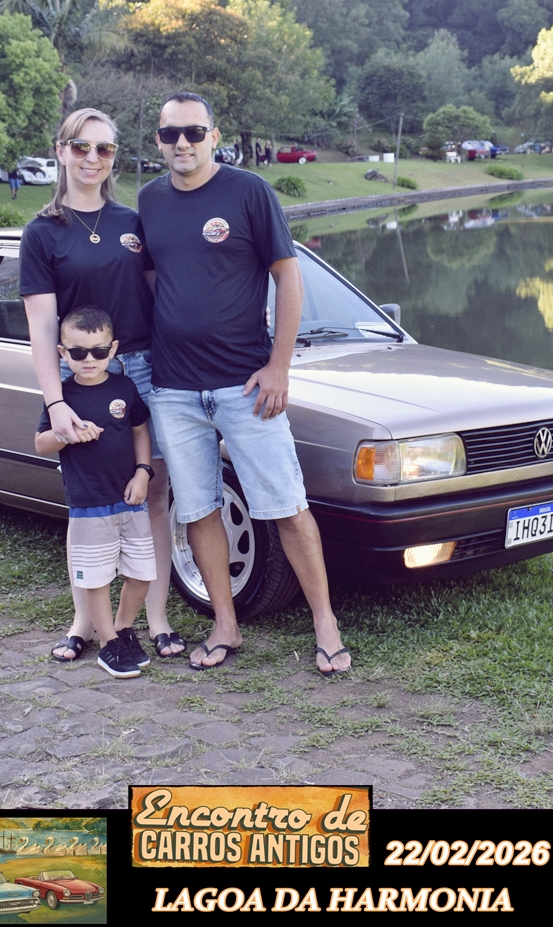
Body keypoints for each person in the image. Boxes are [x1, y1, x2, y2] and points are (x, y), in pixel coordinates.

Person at [137, 91, 352, 676]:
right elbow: (154, 278)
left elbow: (288, 278)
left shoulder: (250, 192)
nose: (182, 143)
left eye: (194, 131)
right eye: (170, 133)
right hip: (174, 389)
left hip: (246, 385)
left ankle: (325, 625)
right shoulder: (149, 200)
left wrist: (279, 366)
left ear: (214, 135)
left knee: (287, 506)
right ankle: (225, 625)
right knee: (198, 510)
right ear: (158, 140)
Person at [21, 106, 186, 664]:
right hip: (82, 374)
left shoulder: (131, 222)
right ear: (61, 151)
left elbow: (165, 295)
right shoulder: (42, 233)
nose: (92, 158)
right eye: (81, 147)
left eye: (105, 148)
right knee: (88, 502)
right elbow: (42, 328)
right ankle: (85, 622)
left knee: (152, 495)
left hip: (143, 369)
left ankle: (155, 619)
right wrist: (56, 401)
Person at [32, 305, 155, 679]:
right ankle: (107, 644)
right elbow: (41, 443)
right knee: (96, 579)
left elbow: (140, 431)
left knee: (142, 574)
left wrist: (143, 472)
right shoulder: (62, 398)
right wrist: (67, 432)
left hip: (130, 500)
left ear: (112, 349)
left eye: (99, 351)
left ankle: (123, 629)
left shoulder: (124, 388)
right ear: (62, 353)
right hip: (89, 504)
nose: (89, 360)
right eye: (78, 352)